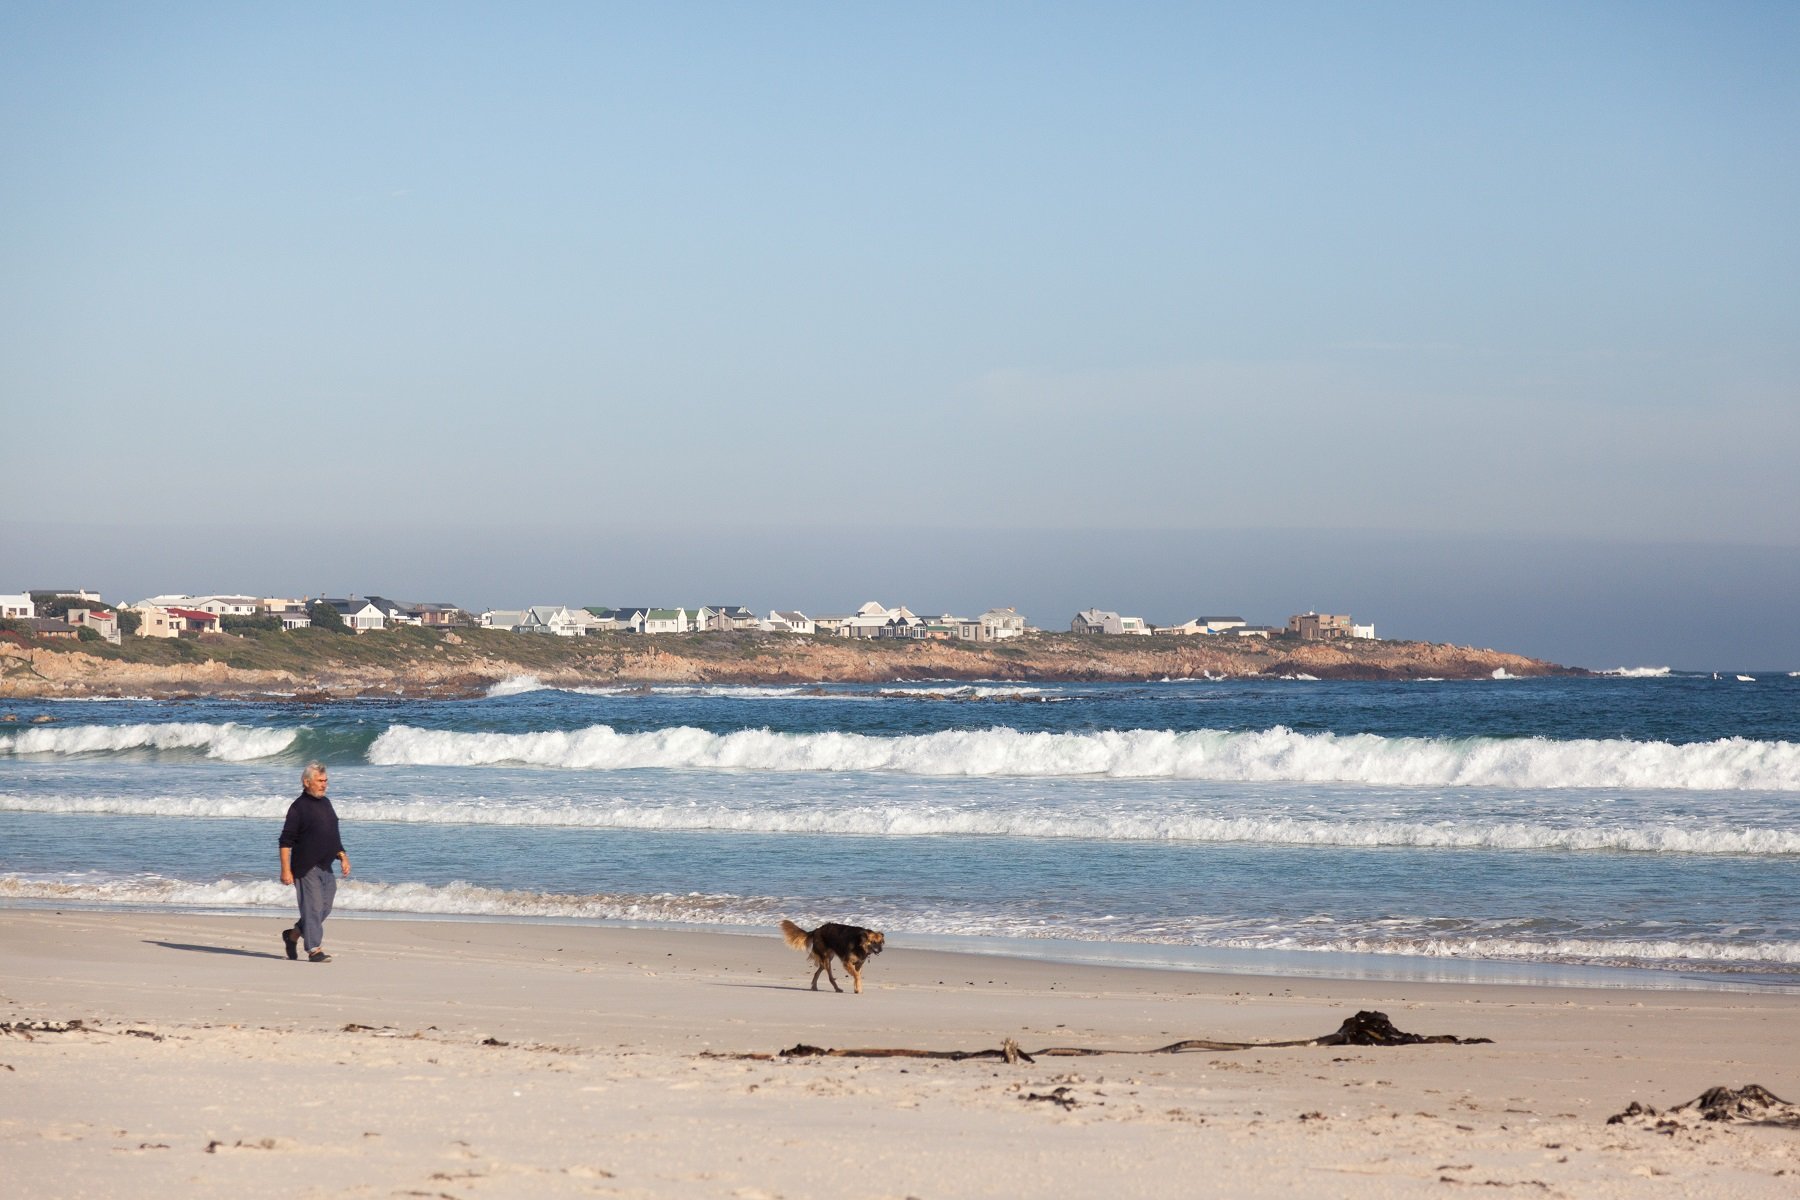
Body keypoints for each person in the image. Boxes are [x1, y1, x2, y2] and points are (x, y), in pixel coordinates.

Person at [279, 762, 350, 963]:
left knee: (324, 907)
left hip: (326, 865)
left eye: (325, 780)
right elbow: (285, 841)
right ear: (306, 782)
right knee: (313, 907)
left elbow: (333, 834)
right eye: (320, 781)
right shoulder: (298, 807)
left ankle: (292, 935)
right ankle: (314, 949)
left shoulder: (326, 803)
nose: (324, 784)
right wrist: (286, 870)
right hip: (305, 866)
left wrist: (343, 855)